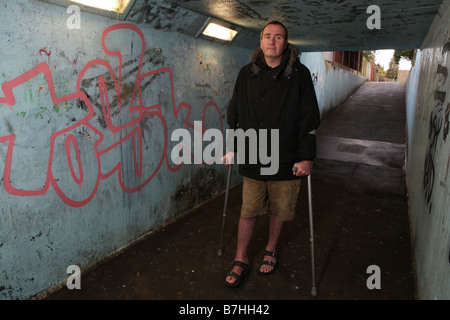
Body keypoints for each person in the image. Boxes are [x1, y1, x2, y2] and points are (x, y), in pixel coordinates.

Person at [222, 20, 320, 287]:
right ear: (260, 41)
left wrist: (307, 157)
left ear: (285, 43)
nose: (272, 42)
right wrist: (232, 146)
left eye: (278, 37)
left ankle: (271, 249)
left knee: (280, 209)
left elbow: (309, 118)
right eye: (268, 36)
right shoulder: (246, 73)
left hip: (288, 157)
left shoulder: (299, 75)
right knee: (248, 209)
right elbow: (235, 113)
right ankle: (240, 257)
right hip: (254, 155)